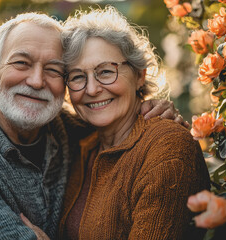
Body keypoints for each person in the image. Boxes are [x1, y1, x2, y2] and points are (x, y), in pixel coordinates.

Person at [0, 11, 186, 240]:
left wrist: (150, 110)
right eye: (21, 63)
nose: (37, 81)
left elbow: (119, 120)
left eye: (53, 70)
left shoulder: (67, 127)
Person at [21, 6, 211, 239]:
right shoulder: (82, 147)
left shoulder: (167, 149)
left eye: (106, 72)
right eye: (78, 77)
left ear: (139, 74)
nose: (92, 89)